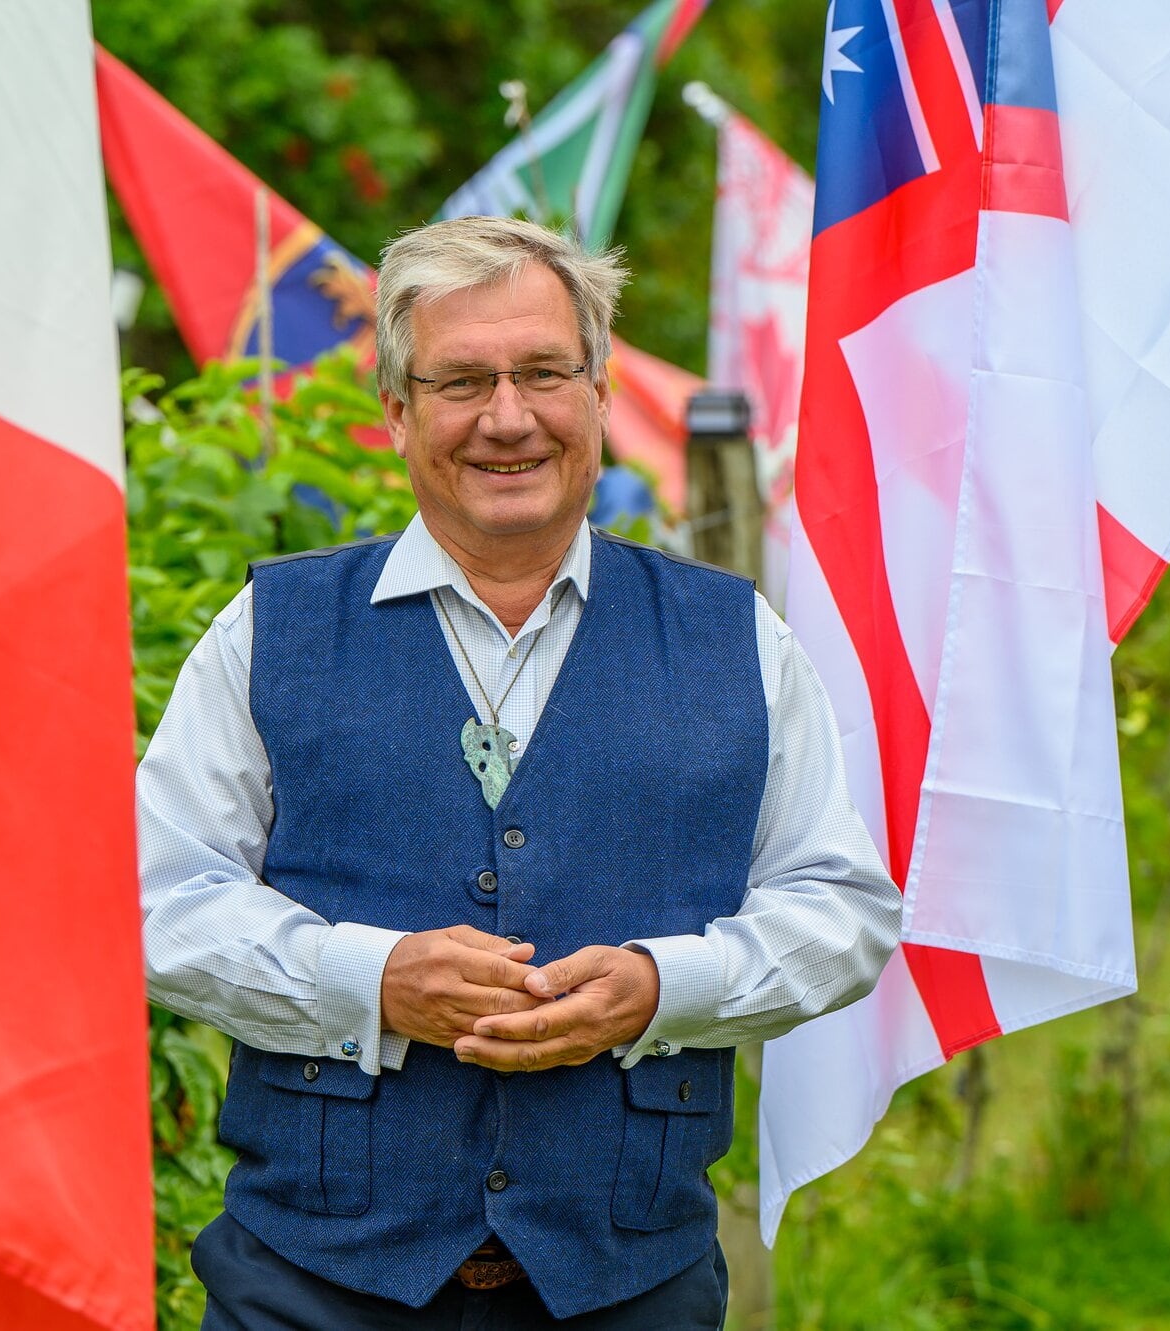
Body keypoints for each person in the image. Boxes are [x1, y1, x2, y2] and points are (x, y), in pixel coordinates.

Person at [137, 215, 901, 1330]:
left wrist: (661, 987)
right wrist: (369, 978)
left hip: (630, 1289)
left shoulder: (735, 638)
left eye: (544, 371)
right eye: (460, 380)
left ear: (596, 393)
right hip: (305, 1290)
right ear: (397, 412)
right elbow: (154, 903)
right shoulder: (273, 629)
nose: (507, 417)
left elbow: (841, 909)